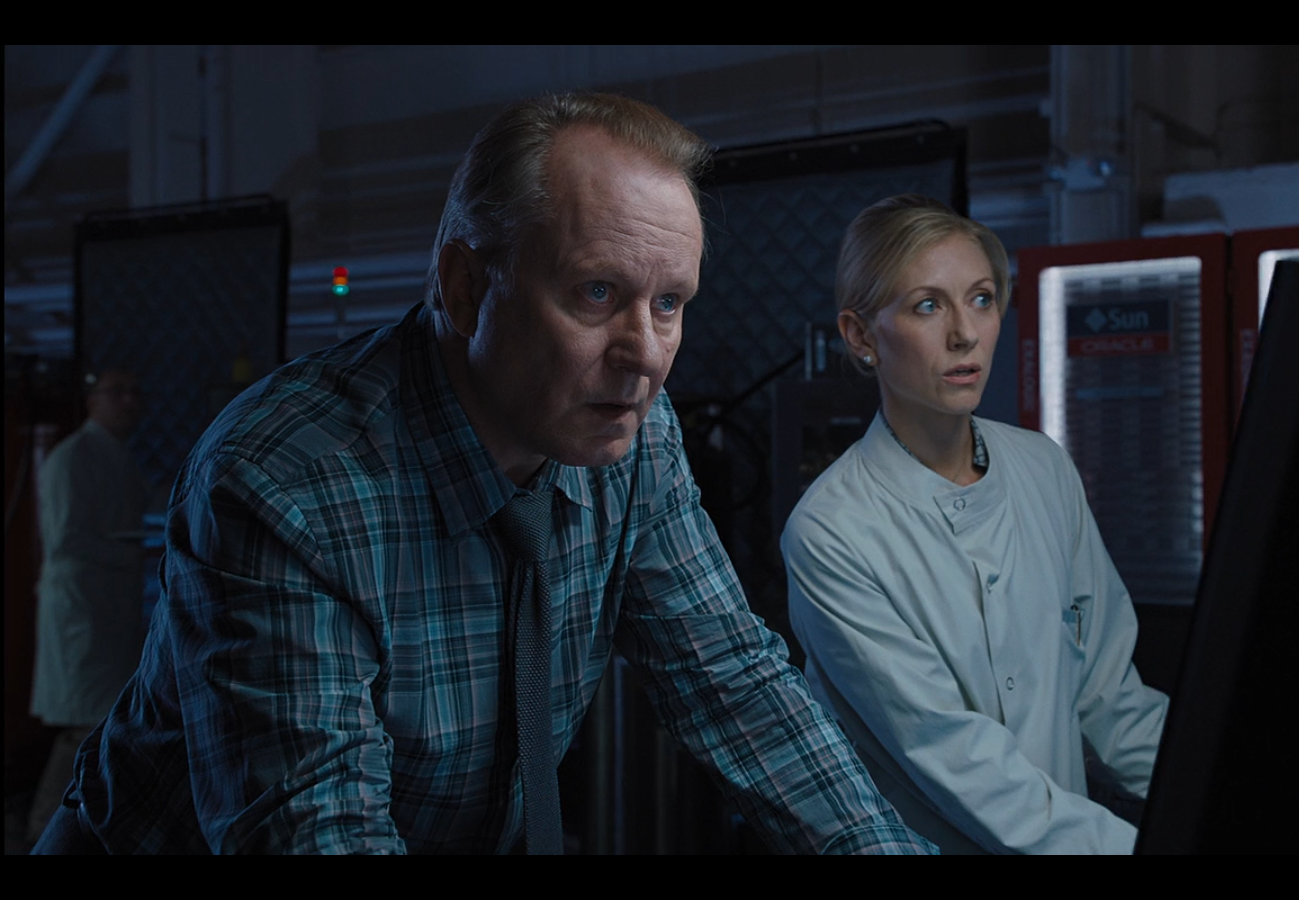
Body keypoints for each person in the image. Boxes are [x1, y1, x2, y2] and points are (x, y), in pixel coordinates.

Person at [33, 93, 932, 855]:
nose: (646, 356)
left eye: (669, 303)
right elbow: (320, 830)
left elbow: (736, 685)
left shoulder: (635, 439)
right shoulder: (287, 482)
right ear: (465, 288)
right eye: (596, 293)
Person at [782, 195, 1169, 854]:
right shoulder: (832, 532)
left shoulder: (1044, 468)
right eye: (927, 306)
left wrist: (1224, 801)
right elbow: (958, 760)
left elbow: (1110, 700)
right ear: (861, 336)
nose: (965, 334)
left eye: (982, 299)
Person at [28, 370, 147, 843]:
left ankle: (65, 831)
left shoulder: (116, 456)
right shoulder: (72, 457)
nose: (129, 401)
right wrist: (133, 552)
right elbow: (66, 540)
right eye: (117, 392)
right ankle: (42, 829)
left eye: (134, 392)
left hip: (107, 611)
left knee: (96, 721)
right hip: (82, 612)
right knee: (84, 725)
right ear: (91, 400)